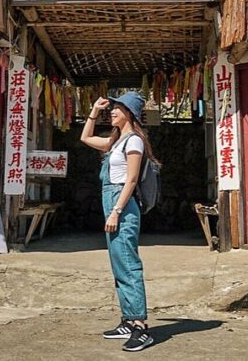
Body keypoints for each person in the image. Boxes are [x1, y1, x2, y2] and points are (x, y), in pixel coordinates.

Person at [80, 91, 157, 352]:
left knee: (128, 264)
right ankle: (127, 319)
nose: (111, 111)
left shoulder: (133, 142)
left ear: (129, 114)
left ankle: (140, 326)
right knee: (119, 264)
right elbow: (85, 137)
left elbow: (132, 180)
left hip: (122, 205)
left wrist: (116, 211)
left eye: (117, 108)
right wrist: (94, 110)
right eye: (111, 108)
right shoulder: (116, 141)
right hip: (113, 202)